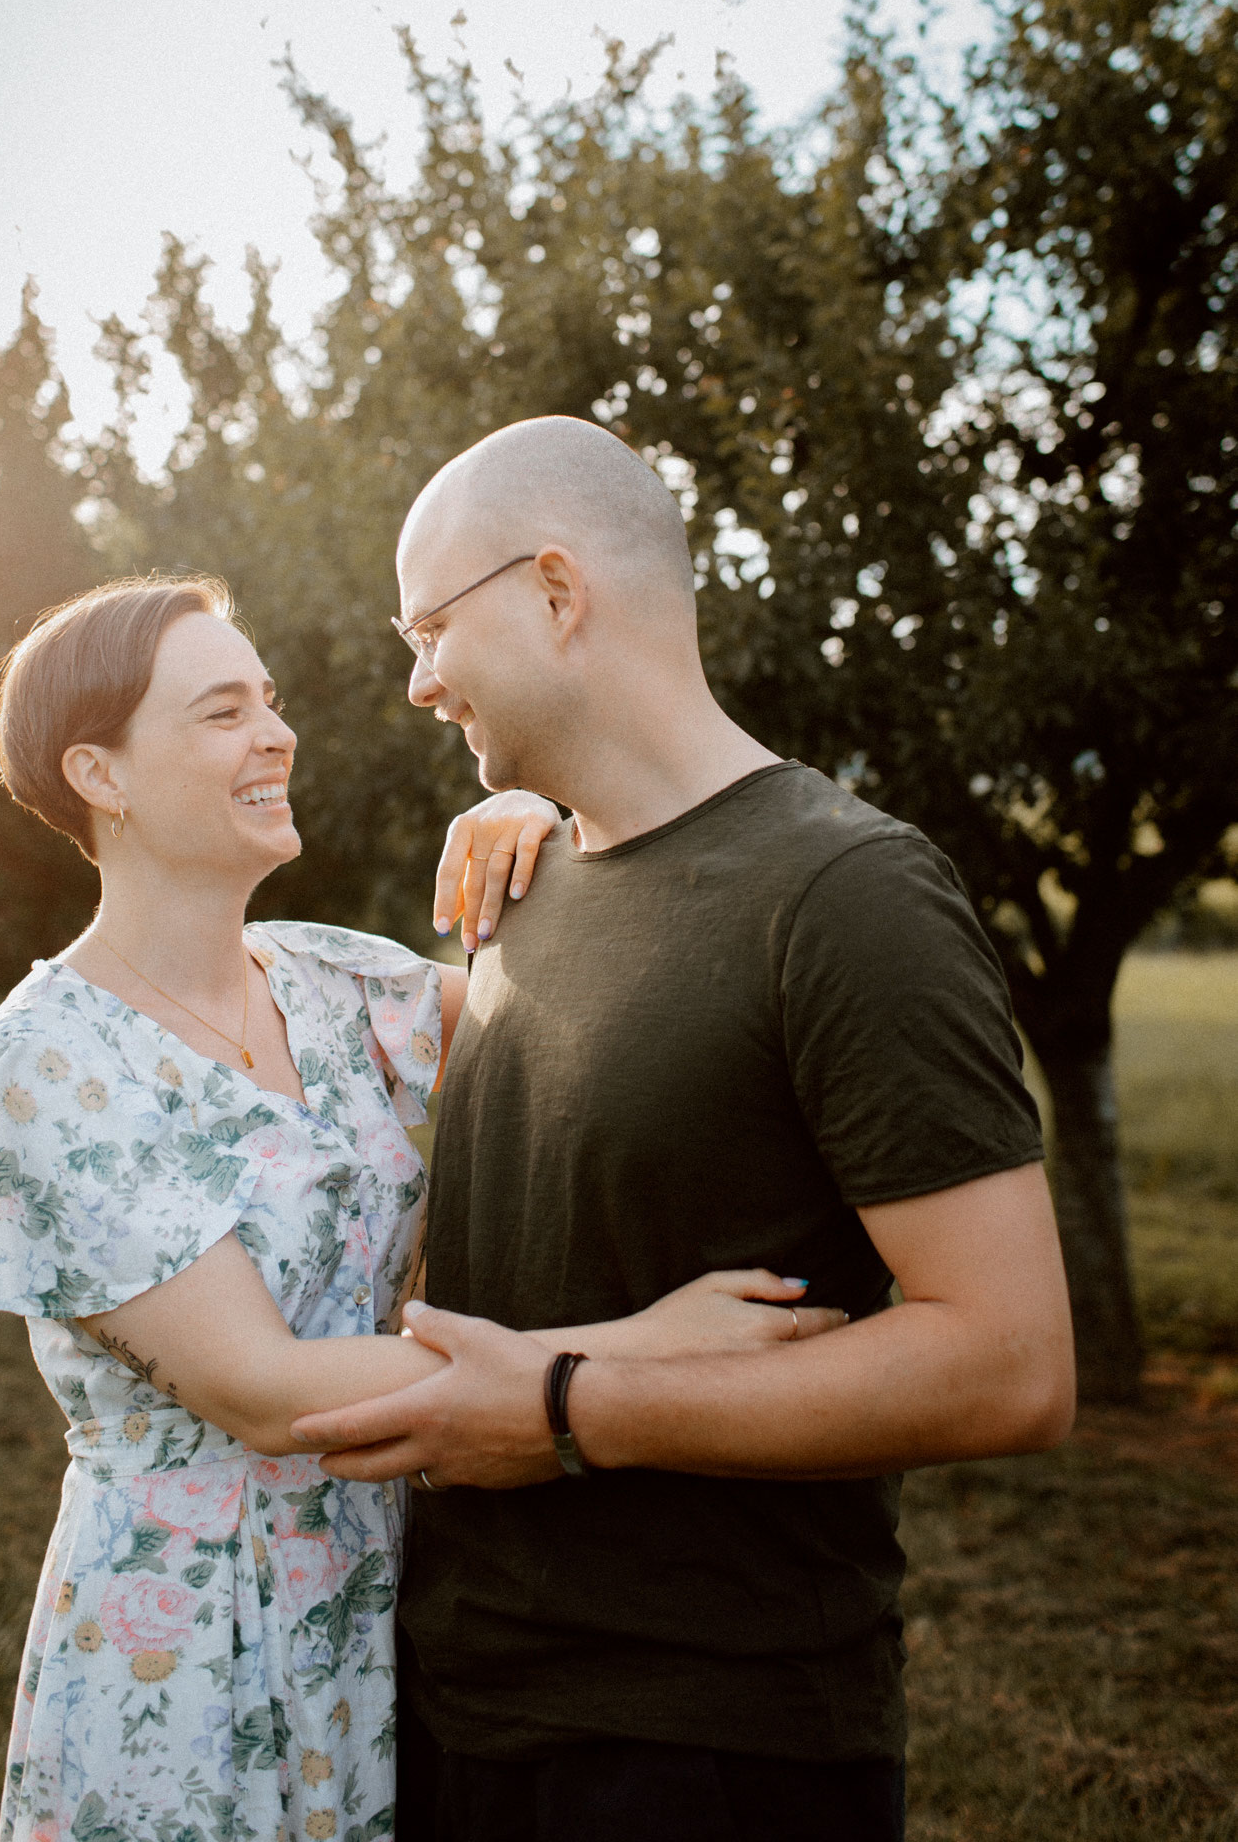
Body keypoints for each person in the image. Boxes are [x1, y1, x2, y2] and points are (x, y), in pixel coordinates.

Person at [0, 573, 844, 1842]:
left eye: (269, 701)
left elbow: (580, 1029)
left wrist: (544, 827)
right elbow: (270, 1393)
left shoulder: (332, 981)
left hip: (384, 1611)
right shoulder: (52, 1060)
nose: (278, 733)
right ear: (100, 774)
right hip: (188, 1653)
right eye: (223, 712)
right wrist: (651, 1351)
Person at [292, 417, 1078, 1842]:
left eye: (425, 628)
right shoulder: (521, 880)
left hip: (704, 1747)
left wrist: (565, 1407)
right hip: (454, 1704)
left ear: (552, 588)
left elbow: (1009, 1364)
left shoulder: (847, 895)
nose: (413, 680)